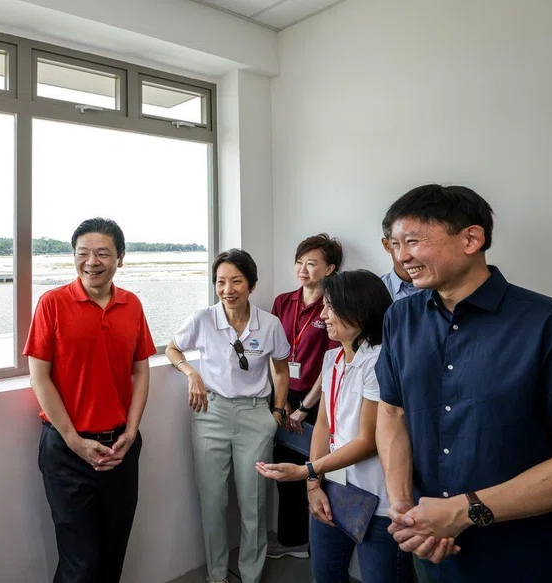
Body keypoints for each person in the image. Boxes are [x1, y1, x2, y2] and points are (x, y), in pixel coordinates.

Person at [376, 184, 552, 582]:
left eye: (412, 241)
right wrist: (404, 506)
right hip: (431, 548)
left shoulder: (545, 324)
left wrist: (464, 510)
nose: (401, 257)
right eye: (394, 244)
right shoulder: (400, 319)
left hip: (524, 554)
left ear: (471, 238)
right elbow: (392, 412)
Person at [257, 270, 411, 583]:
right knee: (325, 574)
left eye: (331, 307)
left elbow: (369, 440)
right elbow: (325, 423)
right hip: (333, 488)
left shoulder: (381, 361)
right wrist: (314, 485)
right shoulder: (334, 358)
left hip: (379, 500)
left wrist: (306, 471)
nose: (324, 315)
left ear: (359, 308)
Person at [25, 218, 155, 583]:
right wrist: (73, 440)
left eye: (102, 253)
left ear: (121, 258)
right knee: (79, 563)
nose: (92, 262)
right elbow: (40, 377)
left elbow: (141, 371)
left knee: (114, 553)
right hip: (66, 450)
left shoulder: (132, 305)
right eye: (83, 253)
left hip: (120, 447)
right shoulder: (52, 303)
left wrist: (132, 430)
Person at [165, 249, 291, 583]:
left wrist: (276, 412)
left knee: (255, 501)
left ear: (251, 284)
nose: (227, 289)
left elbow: (280, 372)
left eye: (236, 280)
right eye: (221, 282)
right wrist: (192, 374)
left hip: (255, 416)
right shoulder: (204, 318)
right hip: (211, 414)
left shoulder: (270, 324)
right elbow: (172, 348)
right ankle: (216, 575)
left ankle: (251, 575)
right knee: (213, 501)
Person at [268, 233, 342, 559]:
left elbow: (332, 364)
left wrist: (302, 409)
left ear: (330, 269)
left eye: (312, 263)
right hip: (282, 397)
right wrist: (281, 403)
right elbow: (275, 355)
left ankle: (314, 543)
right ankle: (290, 540)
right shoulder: (283, 302)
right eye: (300, 262)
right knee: (285, 470)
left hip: (317, 402)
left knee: (313, 473)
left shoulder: (333, 307)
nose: (303, 269)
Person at [379, 222, 420, 302]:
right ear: (386, 245)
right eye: (396, 244)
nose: (405, 256)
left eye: (413, 242)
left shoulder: (441, 285)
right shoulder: (376, 289)